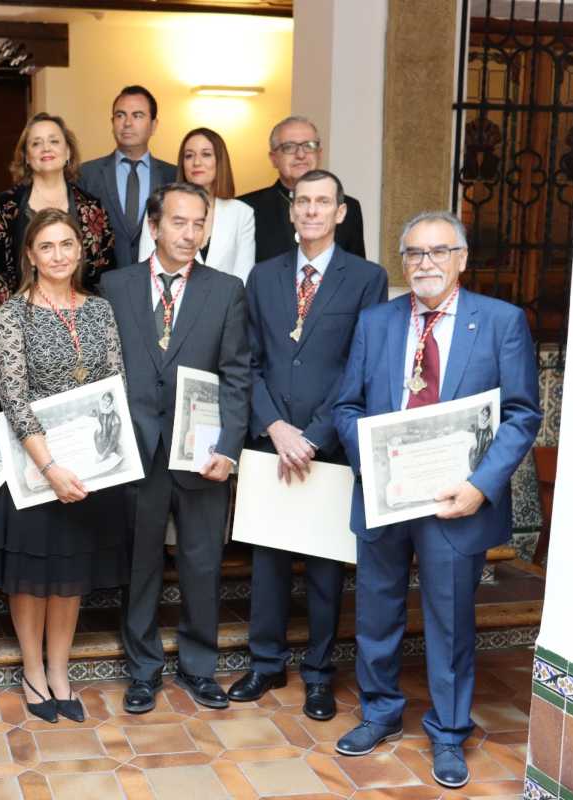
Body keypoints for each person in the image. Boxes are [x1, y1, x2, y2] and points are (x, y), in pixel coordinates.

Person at [332, 210, 541, 789]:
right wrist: (372, 462)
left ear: (462, 260)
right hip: (386, 497)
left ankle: (449, 733)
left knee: (449, 622)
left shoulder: (499, 322)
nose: (425, 263)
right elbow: (345, 406)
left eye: (438, 252)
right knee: (377, 613)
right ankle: (379, 712)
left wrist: (480, 487)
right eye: (414, 254)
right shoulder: (377, 322)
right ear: (403, 263)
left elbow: (523, 414)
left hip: (458, 502)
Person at [227, 169, 388, 720]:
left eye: (324, 202)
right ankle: (265, 664)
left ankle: (319, 674)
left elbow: (360, 366)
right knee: (266, 563)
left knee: (323, 571)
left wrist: (316, 435)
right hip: (272, 441)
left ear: (341, 212)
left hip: (329, 445)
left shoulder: (367, 277)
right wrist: (274, 426)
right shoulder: (263, 276)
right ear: (292, 211)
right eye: (304, 202)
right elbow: (247, 361)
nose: (313, 211)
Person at [101, 183, 251, 713]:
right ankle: (143, 670)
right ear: (155, 225)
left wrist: (229, 449)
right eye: (179, 222)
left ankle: (198, 667)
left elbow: (236, 375)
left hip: (202, 453)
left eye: (199, 223)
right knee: (140, 565)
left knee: (202, 563)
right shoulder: (114, 286)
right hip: (137, 451)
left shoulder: (226, 288)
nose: (189, 233)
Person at [0, 207, 129, 724]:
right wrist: (50, 468)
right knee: (32, 578)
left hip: (88, 468)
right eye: (47, 246)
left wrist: (105, 455)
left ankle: (61, 671)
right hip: (35, 468)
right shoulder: (13, 314)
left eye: (67, 244)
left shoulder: (100, 310)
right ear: (30, 255)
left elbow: (115, 386)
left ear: (80, 250)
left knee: (70, 576)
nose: (59, 254)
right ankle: (32, 672)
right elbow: (13, 397)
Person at [0, 112, 115, 315]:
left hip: (81, 321)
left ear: (68, 152)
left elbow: (104, 274)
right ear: (26, 156)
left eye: (54, 141)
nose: (46, 148)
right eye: (36, 143)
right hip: (20, 321)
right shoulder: (6, 206)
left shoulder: (91, 207)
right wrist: (12, 325)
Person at [238, 116, 366, 262]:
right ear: (273, 158)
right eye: (289, 147)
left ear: (320, 153)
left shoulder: (348, 207)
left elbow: (358, 272)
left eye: (309, 146)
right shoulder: (245, 208)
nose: (300, 155)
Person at [137, 128, 256, 283]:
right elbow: (146, 270)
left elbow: (243, 279)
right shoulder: (160, 206)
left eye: (206, 154)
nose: (196, 162)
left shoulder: (242, 213)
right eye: (189, 156)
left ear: (220, 161)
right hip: (167, 302)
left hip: (225, 304)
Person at [78, 86, 178, 268]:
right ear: (112, 122)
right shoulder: (86, 175)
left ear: (154, 125)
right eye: (120, 115)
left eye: (138, 115)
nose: (127, 123)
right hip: (101, 287)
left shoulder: (174, 176)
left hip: (158, 286)